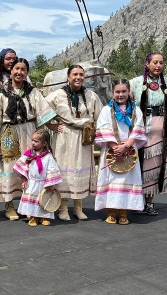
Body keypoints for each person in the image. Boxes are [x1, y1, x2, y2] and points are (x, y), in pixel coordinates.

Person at [0, 58, 58, 220]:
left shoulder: (33, 92)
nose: (19, 72)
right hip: (8, 133)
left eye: (23, 69)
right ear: (11, 71)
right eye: (16, 68)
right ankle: (9, 205)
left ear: (27, 73)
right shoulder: (1, 92)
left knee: (30, 168)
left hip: (30, 132)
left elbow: (42, 116)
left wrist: (42, 140)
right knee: (9, 166)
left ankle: (29, 204)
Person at [45, 65, 103, 221]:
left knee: (80, 168)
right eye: (75, 74)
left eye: (81, 74)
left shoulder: (91, 95)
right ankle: (63, 208)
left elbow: (100, 115)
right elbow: (42, 112)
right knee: (65, 169)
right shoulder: (57, 95)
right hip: (65, 136)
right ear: (68, 77)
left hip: (84, 137)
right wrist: (51, 125)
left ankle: (78, 207)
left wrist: (94, 132)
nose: (78, 77)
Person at [130, 52, 167, 215]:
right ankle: (135, 202)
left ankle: (149, 204)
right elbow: (123, 101)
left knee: (154, 166)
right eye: (155, 62)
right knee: (137, 165)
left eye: (161, 62)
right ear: (147, 64)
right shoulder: (135, 83)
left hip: (160, 132)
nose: (158, 65)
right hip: (139, 129)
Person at [94, 79, 147, 224]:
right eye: (117, 91)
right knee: (111, 180)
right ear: (113, 93)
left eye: (124, 91)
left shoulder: (136, 110)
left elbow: (138, 128)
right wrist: (115, 147)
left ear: (129, 92)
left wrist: (126, 146)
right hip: (112, 149)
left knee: (127, 180)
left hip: (129, 149)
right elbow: (103, 128)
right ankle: (111, 212)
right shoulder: (106, 110)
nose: (120, 94)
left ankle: (123, 212)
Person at [13, 128, 63, 226]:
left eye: (36, 141)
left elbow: (52, 170)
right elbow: (22, 166)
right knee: (32, 199)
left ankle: (43, 217)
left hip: (43, 183)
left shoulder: (48, 156)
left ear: (44, 143)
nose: (33, 143)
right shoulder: (29, 154)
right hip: (31, 182)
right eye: (32, 140)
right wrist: (24, 180)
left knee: (43, 200)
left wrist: (50, 184)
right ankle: (32, 216)